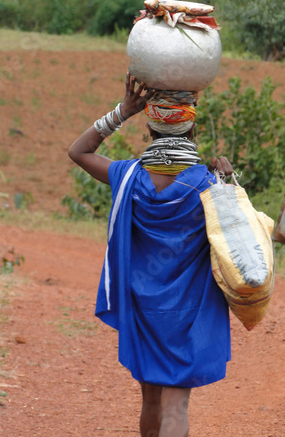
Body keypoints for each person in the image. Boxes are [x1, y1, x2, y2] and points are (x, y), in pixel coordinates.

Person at [68, 73, 233, 437]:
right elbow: (238, 236)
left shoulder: (127, 178)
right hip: (191, 311)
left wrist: (122, 110)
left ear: (150, 131)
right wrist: (230, 184)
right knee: (176, 407)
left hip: (143, 308)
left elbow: (78, 152)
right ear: (190, 131)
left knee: (151, 403)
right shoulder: (208, 184)